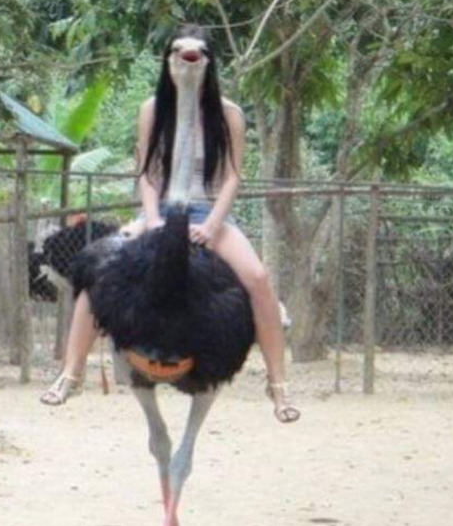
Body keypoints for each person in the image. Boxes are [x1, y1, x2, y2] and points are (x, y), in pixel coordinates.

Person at [41, 24, 299, 423]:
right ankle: (71, 373)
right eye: (178, 53)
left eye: (196, 55)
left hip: (208, 214)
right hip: (159, 212)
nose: (187, 60)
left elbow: (232, 177)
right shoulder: (152, 110)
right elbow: (146, 173)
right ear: (168, 61)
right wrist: (154, 220)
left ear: (209, 64)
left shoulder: (229, 115)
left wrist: (212, 226)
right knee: (100, 270)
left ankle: (277, 383)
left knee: (258, 279)